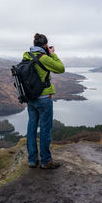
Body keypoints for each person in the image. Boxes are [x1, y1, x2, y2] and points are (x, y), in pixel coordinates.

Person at [22, 33, 65, 169]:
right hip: (44, 99)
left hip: (30, 99)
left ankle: (32, 160)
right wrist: (52, 54)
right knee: (45, 129)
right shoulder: (44, 58)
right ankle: (46, 161)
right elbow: (60, 68)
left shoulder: (26, 56)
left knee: (31, 127)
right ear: (45, 45)